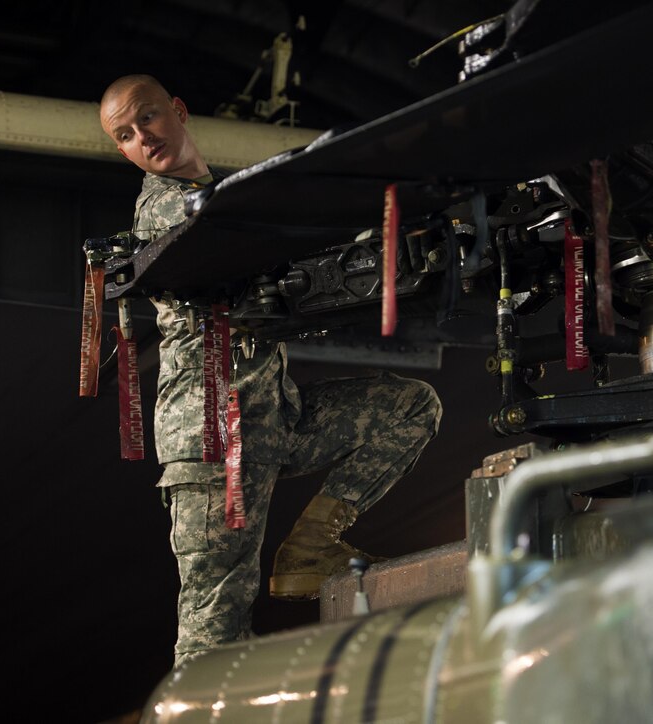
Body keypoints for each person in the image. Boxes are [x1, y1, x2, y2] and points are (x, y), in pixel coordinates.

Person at [98, 74, 443, 668]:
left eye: (147, 119)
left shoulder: (220, 201)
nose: (142, 138)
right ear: (123, 152)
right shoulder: (165, 207)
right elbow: (227, 235)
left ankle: (309, 547)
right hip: (212, 441)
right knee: (212, 641)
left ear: (178, 110)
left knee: (410, 405)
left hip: (272, 419)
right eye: (125, 136)